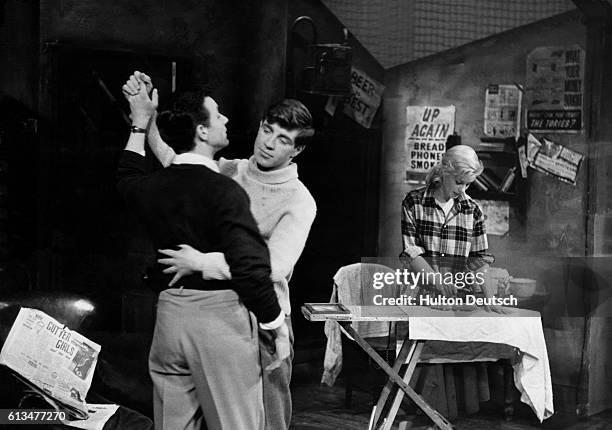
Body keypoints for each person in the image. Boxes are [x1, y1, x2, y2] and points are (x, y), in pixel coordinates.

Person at [122, 71, 316, 430]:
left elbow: (274, 266)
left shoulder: (299, 200)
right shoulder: (229, 171)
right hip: (214, 315)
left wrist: (204, 262)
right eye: (267, 130)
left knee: (267, 421)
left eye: (283, 139)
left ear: (297, 149)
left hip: (264, 318)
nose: (270, 143)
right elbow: (176, 163)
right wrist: (147, 119)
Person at [400, 144, 505, 312]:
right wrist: (439, 282)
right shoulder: (414, 203)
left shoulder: (473, 210)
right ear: (444, 172)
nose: (462, 190)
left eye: (468, 185)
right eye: (458, 182)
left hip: (458, 302)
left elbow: (479, 261)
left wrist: (490, 299)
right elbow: (412, 254)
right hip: (420, 301)